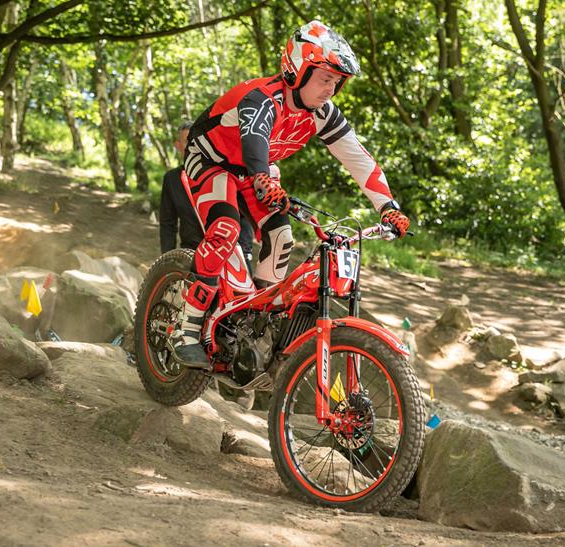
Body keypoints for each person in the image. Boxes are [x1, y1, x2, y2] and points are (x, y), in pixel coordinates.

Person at [174, 20, 411, 368]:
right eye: (324, 78)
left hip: (257, 172)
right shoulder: (262, 98)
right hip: (212, 159)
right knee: (225, 229)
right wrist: (261, 177)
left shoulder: (322, 114)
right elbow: (255, 139)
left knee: (283, 236)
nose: (331, 88)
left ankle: (253, 325)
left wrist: (388, 206)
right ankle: (188, 328)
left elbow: (359, 159)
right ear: (298, 70)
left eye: (336, 82)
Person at [159, 122, 255, 269]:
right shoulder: (172, 179)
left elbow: (244, 215)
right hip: (191, 252)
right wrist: (167, 260)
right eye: (188, 142)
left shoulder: (225, 173)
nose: (193, 147)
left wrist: (245, 252)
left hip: (228, 251)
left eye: (197, 141)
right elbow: (167, 223)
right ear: (178, 146)